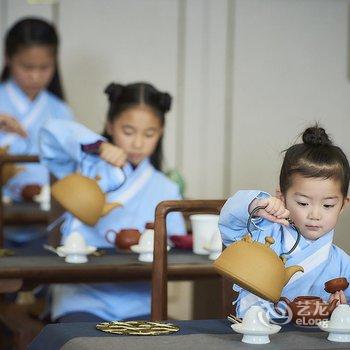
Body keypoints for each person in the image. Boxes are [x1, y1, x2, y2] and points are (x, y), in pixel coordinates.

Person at [39, 81, 186, 322]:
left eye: (149, 134)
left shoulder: (166, 187)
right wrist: (98, 146)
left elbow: (177, 247)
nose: (138, 143)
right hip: (82, 297)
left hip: (141, 301)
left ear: (160, 133)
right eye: (128, 132)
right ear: (110, 125)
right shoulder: (86, 164)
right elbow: (49, 132)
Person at [219, 125, 350, 318]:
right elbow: (229, 220)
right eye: (303, 203)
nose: (315, 214)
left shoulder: (342, 263)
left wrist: (342, 309)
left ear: (343, 205)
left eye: (328, 205)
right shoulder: (262, 235)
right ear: (282, 196)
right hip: (258, 336)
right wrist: (257, 205)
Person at [0, 17, 74, 202]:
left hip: (48, 216)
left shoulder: (61, 111)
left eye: (44, 68)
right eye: (27, 67)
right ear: (8, 58)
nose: (35, 76)